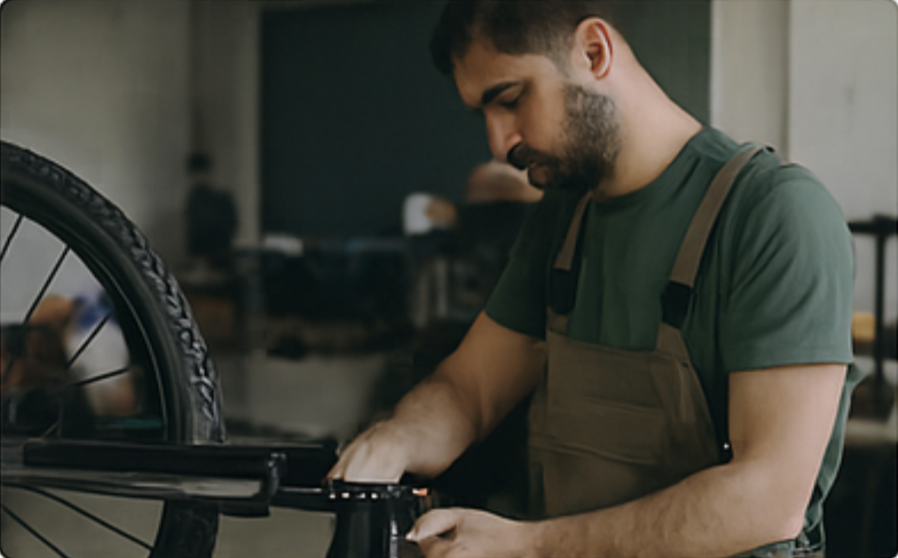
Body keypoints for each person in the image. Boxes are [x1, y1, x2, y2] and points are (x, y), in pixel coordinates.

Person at [328, 1, 858, 557]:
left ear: (593, 52)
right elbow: (471, 390)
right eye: (482, 115)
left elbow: (767, 499)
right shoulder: (565, 216)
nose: (498, 143)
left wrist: (532, 546)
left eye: (510, 99)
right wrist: (396, 437)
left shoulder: (774, 214)